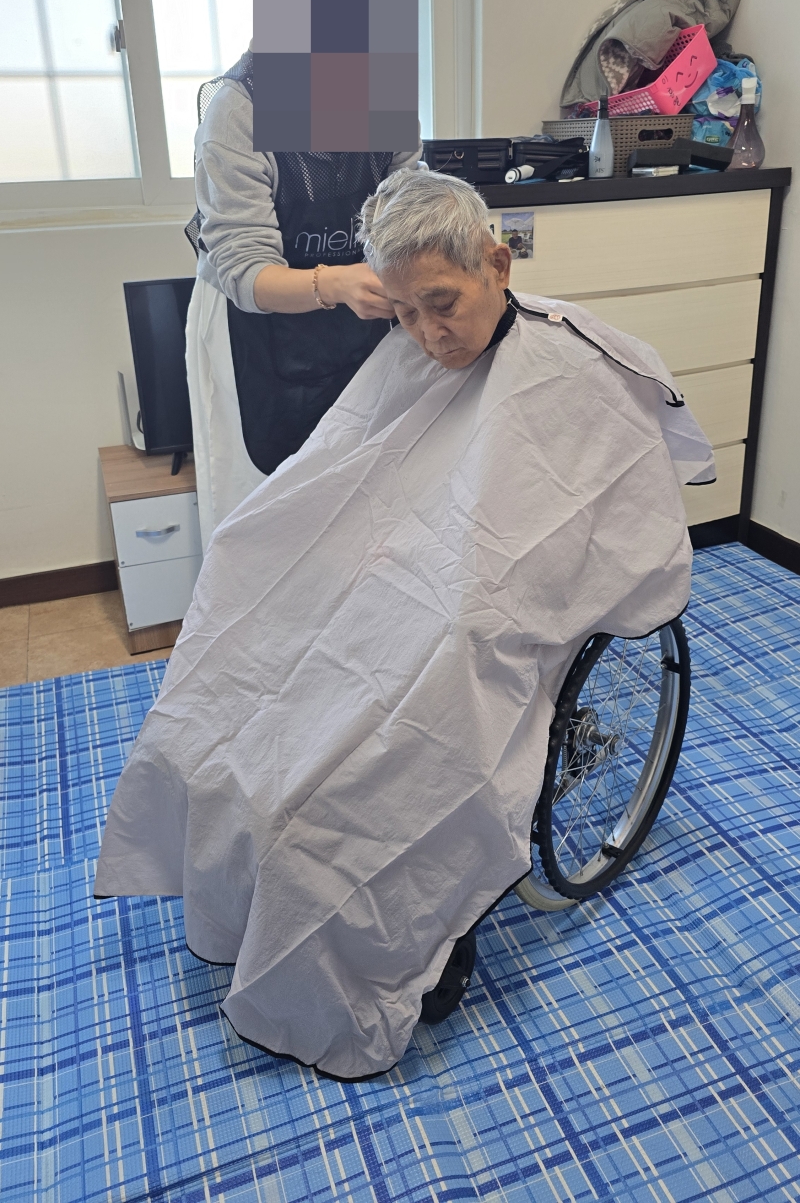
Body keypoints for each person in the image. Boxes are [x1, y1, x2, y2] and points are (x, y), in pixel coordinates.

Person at [96, 170, 713, 1080]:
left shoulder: (576, 365)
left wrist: (454, 584)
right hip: (404, 578)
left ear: (497, 264)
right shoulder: (409, 351)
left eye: (443, 306)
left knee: (444, 646)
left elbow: (588, 518)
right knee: (248, 560)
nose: (427, 335)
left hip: (474, 605)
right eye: (403, 313)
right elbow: (344, 472)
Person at [185, 44, 422, 547]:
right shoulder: (238, 113)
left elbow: (406, 203)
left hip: (356, 316)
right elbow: (246, 269)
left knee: (360, 488)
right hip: (254, 322)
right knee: (268, 509)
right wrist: (335, 283)